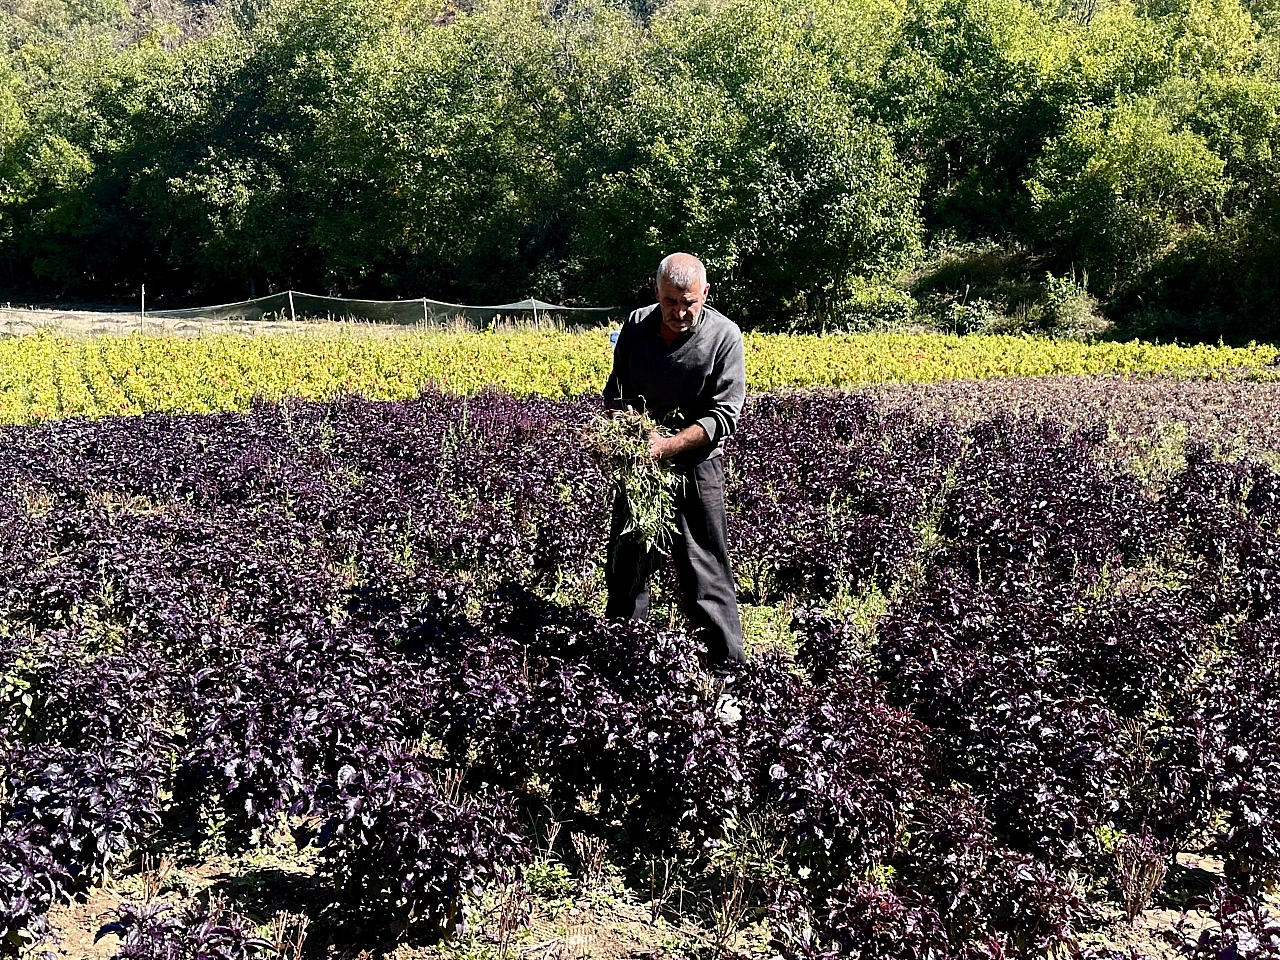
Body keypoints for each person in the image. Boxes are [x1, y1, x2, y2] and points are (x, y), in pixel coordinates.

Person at [602, 252, 746, 666]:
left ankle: (725, 667)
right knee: (627, 563)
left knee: (704, 568)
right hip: (640, 465)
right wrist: (626, 432)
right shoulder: (636, 325)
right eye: (670, 301)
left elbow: (723, 415)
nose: (679, 312)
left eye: (689, 302)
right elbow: (616, 391)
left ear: (705, 293)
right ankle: (624, 652)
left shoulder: (724, 336)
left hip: (697, 467)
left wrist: (666, 446)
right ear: (656, 291)